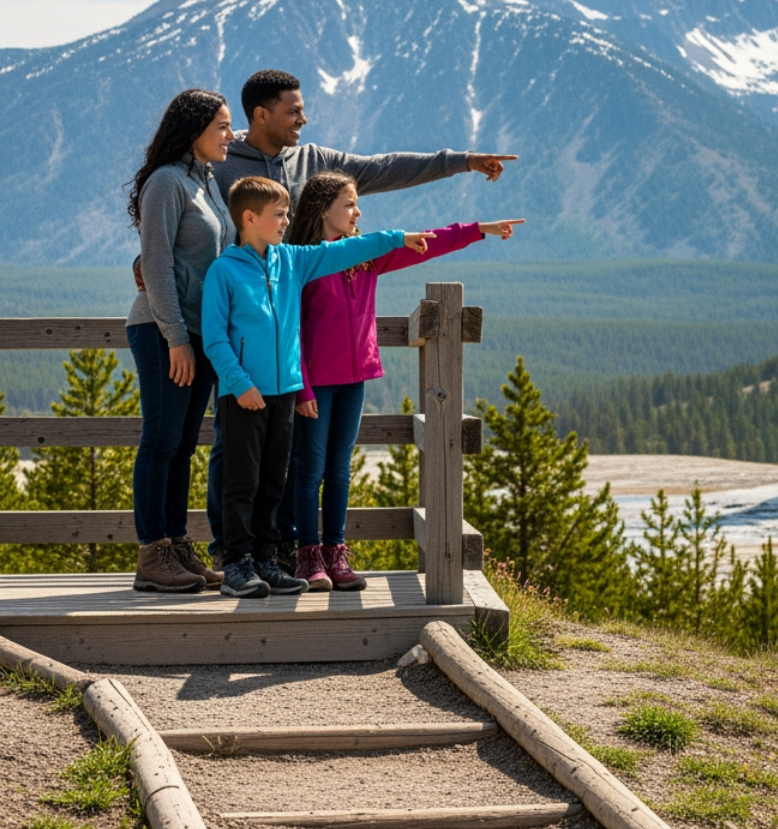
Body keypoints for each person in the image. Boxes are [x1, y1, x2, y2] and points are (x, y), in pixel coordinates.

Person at [202, 69, 518, 570]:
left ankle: (285, 552)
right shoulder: (217, 161)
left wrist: (463, 169)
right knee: (239, 457)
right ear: (261, 114)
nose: (303, 117)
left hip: (309, 375)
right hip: (255, 357)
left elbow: (387, 170)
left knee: (299, 465)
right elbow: (184, 219)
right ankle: (233, 552)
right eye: (293, 109)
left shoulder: (316, 183)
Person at [282, 171, 521, 590]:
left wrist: (478, 230)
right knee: (308, 470)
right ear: (324, 210)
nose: (359, 212)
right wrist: (300, 388)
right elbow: (292, 331)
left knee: (339, 470)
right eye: (350, 204)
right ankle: (307, 558)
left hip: (354, 380)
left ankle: (336, 555)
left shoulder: (369, 258)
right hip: (315, 384)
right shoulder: (303, 259)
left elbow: (428, 243)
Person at [201, 175, 435, 598]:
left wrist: (398, 238)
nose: (287, 221)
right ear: (250, 218)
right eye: (279, 215)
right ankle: (236, 564)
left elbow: (349, 249)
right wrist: (239, 384)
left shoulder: (292, 260)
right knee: (241, 482)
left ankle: (266, 562)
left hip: (284, 392)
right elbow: (214, 336)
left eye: (287, 213)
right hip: (243, 397)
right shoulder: (224, 271)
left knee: (275, 481)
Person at [124, 90, 236, 592]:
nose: (230, 135)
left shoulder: (206, 183)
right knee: (161, 440)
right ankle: (152, 553)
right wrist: (176, 339)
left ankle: (174, 543)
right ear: (194, 130)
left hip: (198, 332)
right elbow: (156, 265)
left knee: (184, 445)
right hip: (163, 330)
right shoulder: (167, 183)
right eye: (222, 126)